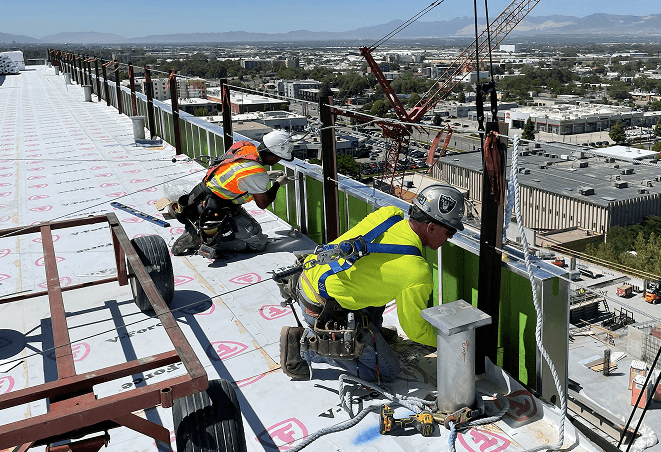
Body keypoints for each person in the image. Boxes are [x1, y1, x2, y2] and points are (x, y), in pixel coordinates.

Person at [280, 184, 465, 382]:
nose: (448, 239)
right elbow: (415, 330)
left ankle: (371, 330)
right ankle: (304, 345)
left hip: (305, 277)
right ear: (431, 227)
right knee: (386, 371)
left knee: (381, 282)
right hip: (321, 309)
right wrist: (448, 342)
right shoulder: (416, 271)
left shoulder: (389, 215)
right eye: (450, 233)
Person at [171, 130, 295, 256]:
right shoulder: (257, 173)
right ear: (272, 156)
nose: (278, 161)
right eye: (279, 158)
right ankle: (200, 239)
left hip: (204, 196)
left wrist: (267, 175)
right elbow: (263, 203)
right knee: (259, 242)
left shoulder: (245, 146)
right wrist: (278, 183)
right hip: (215, 210)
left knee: (256, 228)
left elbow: (237, 172)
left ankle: (202, 232)